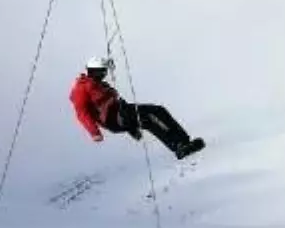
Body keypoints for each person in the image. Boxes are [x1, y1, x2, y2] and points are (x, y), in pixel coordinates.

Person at [70, 56, 204, 159]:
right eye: (103, 71)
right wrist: (94, 133)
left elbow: (114, 101)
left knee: (157, 111)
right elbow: (81, 113)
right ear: (96, 71)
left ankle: (183, 142)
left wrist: (131, 128)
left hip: (121, 111)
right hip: (113, 119)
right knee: (149, 118)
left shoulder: (99, 83)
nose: (105, 73)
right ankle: (178, 146)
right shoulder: (81, 88)